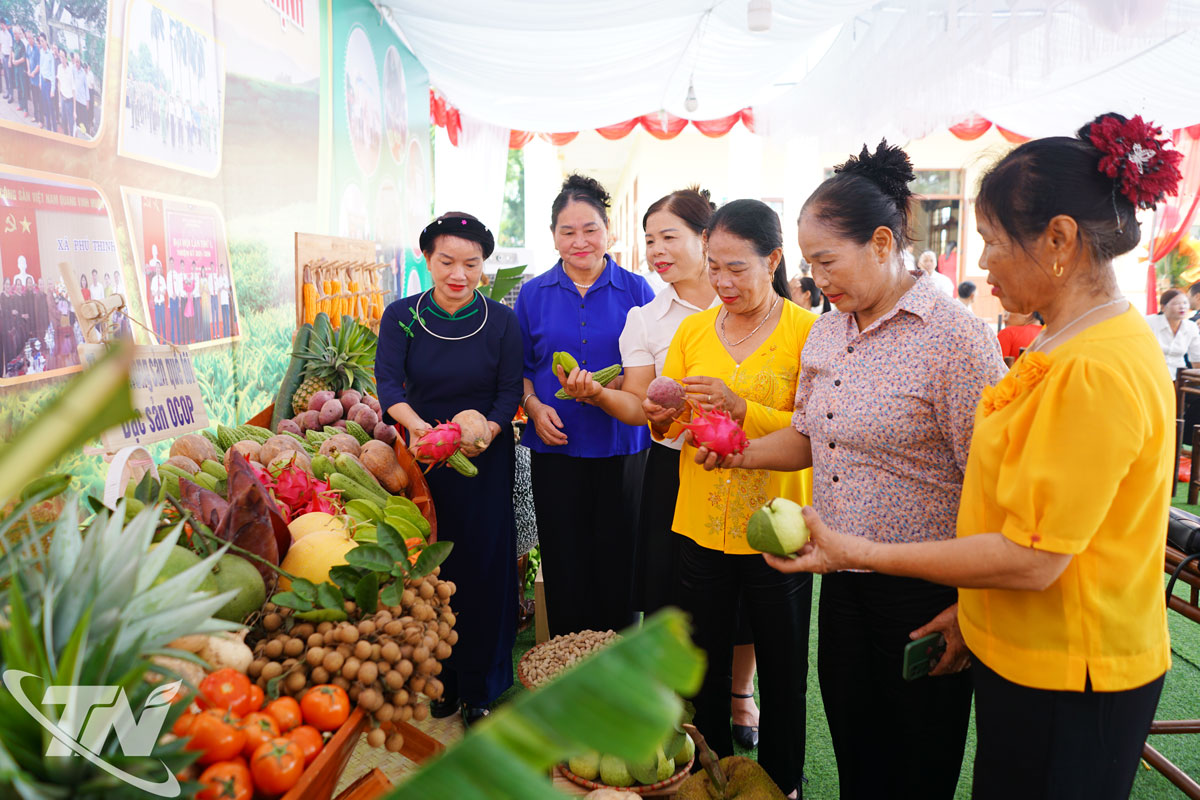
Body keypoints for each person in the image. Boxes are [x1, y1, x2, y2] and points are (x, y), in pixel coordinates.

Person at [768, 113, 1180, 800]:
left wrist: (857, 551)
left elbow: (1034, 555)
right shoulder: (1064, 344)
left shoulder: (1093, 366)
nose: (980, 263)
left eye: (991, 242)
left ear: (1058, 240)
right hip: (1023, 648)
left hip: (1071, 662)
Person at [696, 142, 1004, 800]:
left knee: (917, 766)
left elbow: (992, 478)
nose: (818, 279)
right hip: (839, 582)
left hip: (926, 592)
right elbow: (809, 435)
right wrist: (739, 453)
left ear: (883, 241)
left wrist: (968, 605)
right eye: (810, 265)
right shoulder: (829, 334)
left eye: (827, 261)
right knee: (858, 757)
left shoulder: (954, 338)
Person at [556, 187, 763, 748]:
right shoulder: (645, 318)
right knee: (670, 590)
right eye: (649, 240)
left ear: (706, 239)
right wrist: (603, 399)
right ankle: (678, 699)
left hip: (750, 466)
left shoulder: (749, 304)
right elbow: (637, 401)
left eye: (670, 237)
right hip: (672, 469)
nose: (658, 251)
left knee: (745, 593)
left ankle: (741, 694)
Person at [644, 199, 817, 797]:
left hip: (780, 528)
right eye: (714, 267)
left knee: (784, 667)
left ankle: (784, 782)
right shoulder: (693, 329)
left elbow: (814, 428)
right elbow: (668, 426)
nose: (722, 282)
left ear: (773, 260)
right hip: (701, 524)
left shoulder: (808, 332)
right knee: (704, 665)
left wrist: (744, 408)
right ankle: (710, 776)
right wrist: (661, 417)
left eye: (737, 268)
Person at [376, 211, 522, 728]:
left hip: (486, 460)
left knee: (483, 570)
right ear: (427, 259)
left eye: (471, 263)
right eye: (447, 262)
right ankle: (442, 680)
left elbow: (509, 393)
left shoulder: (502, 321)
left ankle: (481, 686)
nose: (459, 274)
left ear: (484, 265)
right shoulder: (402, 316)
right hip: (424, 462)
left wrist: (489, 432)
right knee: (433, 571)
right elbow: (388, 386)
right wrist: (421, 431)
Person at [515, 174, 655, 637]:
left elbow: (654, 370)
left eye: (590, 229)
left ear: (609, 231)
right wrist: (534, 407)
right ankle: (568, 667)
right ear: (553, 235)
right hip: (555, 448)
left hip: (624, 447)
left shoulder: (638, 291)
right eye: (567, 231)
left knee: (620, 564)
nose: (579, 241)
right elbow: (519, 368)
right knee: (564, 560)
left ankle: (619, 671)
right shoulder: (533, 294)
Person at [1147, 287, 1200, 379]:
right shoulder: (1149, 322)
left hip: (1178, 378)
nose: (1182, 307)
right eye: (1176, 303)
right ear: (1163, 307)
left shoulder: (1191, 327)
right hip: (1151, 375)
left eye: (1185, 303)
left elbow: (1196, 359)